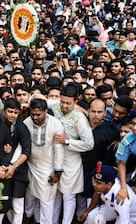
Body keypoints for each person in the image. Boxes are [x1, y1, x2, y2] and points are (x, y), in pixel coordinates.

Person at [49, 84, 94, 224]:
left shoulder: (80, 118)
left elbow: (89, 144)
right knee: (54, 195)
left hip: (71, 162)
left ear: (76, 101)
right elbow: (39, 98)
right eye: (62, 102)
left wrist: (67, 141)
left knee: (68, 196)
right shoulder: (55, 105)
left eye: (68, 103)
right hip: (54, 158)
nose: (63, 106)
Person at [23, 98, 65, 224]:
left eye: (38, 114)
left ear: (45, 111)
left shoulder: (55, 124)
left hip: (48, 168)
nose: (35, 117)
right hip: (31, 166)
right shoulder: (26, 122)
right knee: (30, 197)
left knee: (47, 201)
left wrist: (57, 172)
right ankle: (29, 218)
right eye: (32, 114)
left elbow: (59, 149)